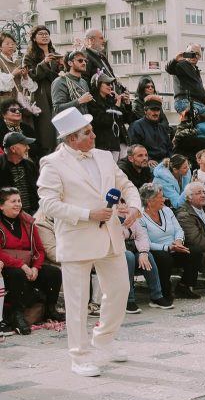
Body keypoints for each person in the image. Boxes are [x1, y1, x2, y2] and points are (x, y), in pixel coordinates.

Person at [38, 107, 143, 377]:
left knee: (120, 290)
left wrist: (133, 206)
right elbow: (49, 205)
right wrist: (87, 215)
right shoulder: (52, 163)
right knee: (77, 301)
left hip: (109, 236)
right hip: (76, 239)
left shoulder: (104, 156)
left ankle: (104, 338)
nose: (95, 135)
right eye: (88, 132)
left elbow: (126, 184)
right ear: (72, 138)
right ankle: (80, 355)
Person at [0, 186, 63, 335]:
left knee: (53, 272)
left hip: (28, 267)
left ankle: (49, 309)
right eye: (13, 201)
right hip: (8, 269)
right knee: (17, 274)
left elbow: (39, 249)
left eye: (19, 201)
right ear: (1, 205)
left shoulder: (28, 222)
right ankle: (17, 315)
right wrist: (20, 265)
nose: (17, 204)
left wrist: (35, 267)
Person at [138, 182, 202, 300]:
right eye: (160, 197)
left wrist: (178, 241)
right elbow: (144, 242)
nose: (164, 199)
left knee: (195, 251)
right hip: (156, 250)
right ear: (150, 201)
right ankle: (163, 291)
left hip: (175, 246)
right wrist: (168, 248)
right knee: (164, 258)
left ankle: (184, 286)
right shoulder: (140, 216)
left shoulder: (167, 210)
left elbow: (178, 229)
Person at [122, 210, 173, 314]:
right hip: (116, 253)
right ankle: (128, 299)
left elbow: (142, 236)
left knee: (148, 256)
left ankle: (157, 296)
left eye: (124, 202)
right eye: (118, 203)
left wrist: (143, 252)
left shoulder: (132, 217)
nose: (122, 206)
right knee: (129, 256)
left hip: (133, 248)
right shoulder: (110, 219)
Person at [24, 25, 60, 153]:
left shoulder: (55, 54)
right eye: (41, 34)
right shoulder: (29, 56)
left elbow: (59, 74)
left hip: (56, 91)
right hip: (41, 93)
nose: (45, 36)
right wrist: (44, 63)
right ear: (34, 38)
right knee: (46, 127)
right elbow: (33, 76)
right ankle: (46, 153)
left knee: (59, 123)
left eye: (46, 34)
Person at [85, 71, 133, 158]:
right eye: (107, 83)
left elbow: (128, 119)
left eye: (111, 84)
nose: (111, 86)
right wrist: (117, 105)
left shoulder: (111, 99)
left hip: (121, 142)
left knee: (122, 169)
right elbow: (104, 121)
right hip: (106, 145)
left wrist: (127, 103)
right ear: (98, 85)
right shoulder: (92, 101)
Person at [0, 131, 39, 214]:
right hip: (6, 215)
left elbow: (38, 189)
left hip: (32, 213)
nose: (28, 148)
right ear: (13, 149)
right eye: (24, 145)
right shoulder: (1, 165)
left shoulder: (30, 165)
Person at [165, 44, 205, 116]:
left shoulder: (195, 69)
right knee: (204, 125)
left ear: (200, 57)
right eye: (191, 53)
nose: (194, 55)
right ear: (186, 54)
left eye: (197, 54)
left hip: (198, 103)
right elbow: (169, 69)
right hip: (186, 101)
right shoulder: (181, 65)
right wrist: (175, 60)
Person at [83, 29, 125, 95]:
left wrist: (123, 91)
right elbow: (85, 81)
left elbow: (111, 76)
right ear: (91, 40)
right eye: (101, 38)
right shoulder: (85, 56)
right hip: (102, 101)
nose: (104, 41)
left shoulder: (101, 56)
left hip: (114, 98)